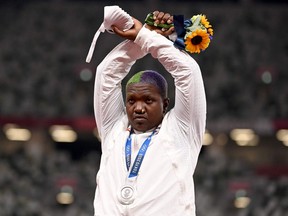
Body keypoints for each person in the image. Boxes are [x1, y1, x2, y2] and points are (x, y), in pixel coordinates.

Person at [93, 10, 207, 216]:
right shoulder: (113, 130)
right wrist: (145, 36)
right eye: (131, 101)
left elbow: (187, 72)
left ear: (165, 104)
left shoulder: (181, 131)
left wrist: (145, 37)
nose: (138, 108)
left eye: (148, 100)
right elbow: (106, 73)